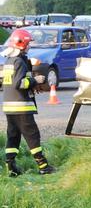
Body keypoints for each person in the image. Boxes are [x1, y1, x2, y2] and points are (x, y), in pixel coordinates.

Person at [2, 28, 55, 176]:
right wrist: (35, 81)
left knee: (13, 137)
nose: (29, 46)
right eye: (28, 44)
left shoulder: (10, 60)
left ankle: (11, 168)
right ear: (21, 44)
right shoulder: (19, 61)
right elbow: (19, 83)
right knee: (32, 135)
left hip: (10, 107)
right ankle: (43, 166)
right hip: (21, 107)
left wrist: (32, 86)